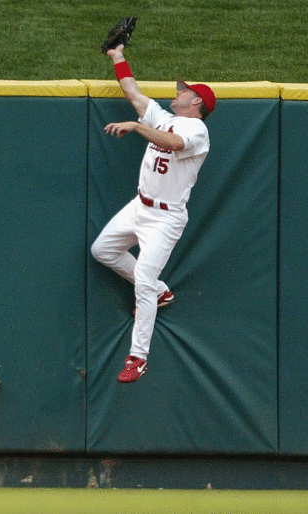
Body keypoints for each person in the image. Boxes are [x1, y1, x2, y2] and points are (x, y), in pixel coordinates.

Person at [91, 43, 216, 383]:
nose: (178, 92)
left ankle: (138, 357)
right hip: (140, 206)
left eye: (184, 91)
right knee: (102, 250)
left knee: (143, 281)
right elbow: (133, 93)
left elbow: (174, 145)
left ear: (197, 103)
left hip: (166, 219)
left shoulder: (197, 131)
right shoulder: (166, 118)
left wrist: (135, 127)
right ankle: (162, 291)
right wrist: (118, 56)